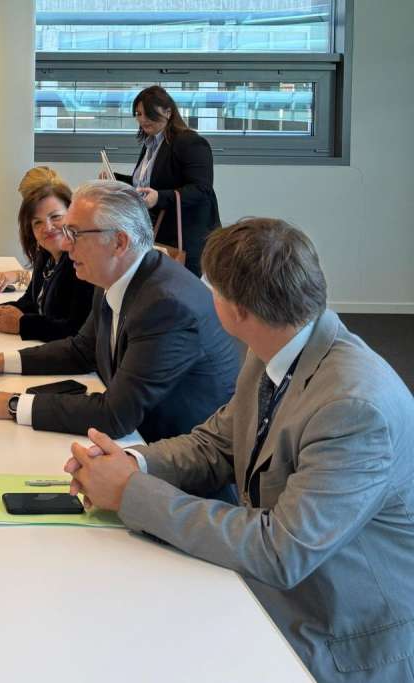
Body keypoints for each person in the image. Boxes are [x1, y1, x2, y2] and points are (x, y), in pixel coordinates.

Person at [63, 218, 414, 682]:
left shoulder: (354, 407)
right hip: (286, 596)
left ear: (237, 309)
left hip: (340, 637)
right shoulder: (279, 347)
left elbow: (281, 551)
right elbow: (217, 444)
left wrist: (131, 492)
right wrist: (131, 463)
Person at [0, 180, 238, 442]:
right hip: (137, 442)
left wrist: (12, 404)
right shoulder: (115, 275)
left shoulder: (166, 306)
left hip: (175, 463)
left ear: (119, 242)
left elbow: (115, 416)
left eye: (75, 233)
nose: (66, 245)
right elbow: (82, 350)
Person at [111, 85, 220, 276]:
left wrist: (159, 198)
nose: (142, 119)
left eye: (149, 113)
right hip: (158, 233)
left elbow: (202, 190)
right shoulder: (151, 144)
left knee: (181, 287)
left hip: (185, 237)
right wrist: (115, 181)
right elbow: (148, 185)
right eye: (138, 114)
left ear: (168, 112)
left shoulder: (190, 142)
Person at [0, 167, 96, 342]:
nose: (48, 228)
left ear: (72, 213)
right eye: (37, 222)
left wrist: (23, 324)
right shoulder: (45, 254)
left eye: (55, 217)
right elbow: (32, 301)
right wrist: (3, 311)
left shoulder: (81, 264)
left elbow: (76, 330)